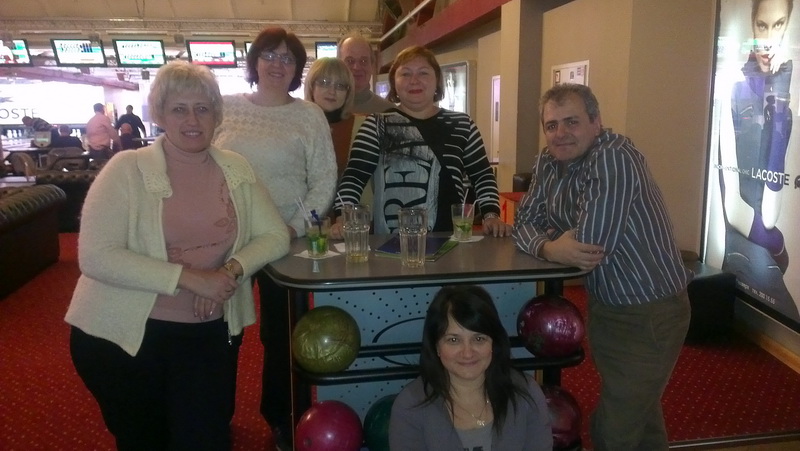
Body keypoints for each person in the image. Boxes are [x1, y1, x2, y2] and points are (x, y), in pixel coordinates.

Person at [64, 60, 290, 451]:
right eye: (179, 109)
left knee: (205, 438)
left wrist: (229, 272)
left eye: (202, 108)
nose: (192, 119)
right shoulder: (126, 169)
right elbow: (96, 255)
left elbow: (275, 236)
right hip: (126, 334)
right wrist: (192, 279)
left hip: (207, 332)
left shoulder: (235, 167)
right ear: (160, 114)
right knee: (145, 440)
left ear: (216, 115)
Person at [512, 84, 691, 451]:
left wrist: (554, 239)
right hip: (607, 305)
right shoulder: (549, 160)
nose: (560, 133)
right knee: (641, 418)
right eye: (551, 125)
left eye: (572, 122)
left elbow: (589, 246)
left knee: (614, 428)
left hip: (651, 313)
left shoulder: (613, 157)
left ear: (596, 122)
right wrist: (551, 246)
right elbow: (523, 221)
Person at [211, 26, 336, 451]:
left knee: (281, 336)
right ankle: (215, 416)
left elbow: (324, 180)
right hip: (227, 238)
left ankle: (282, 417)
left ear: (298, 68)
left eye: (288, 58)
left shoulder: (309, 115)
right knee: (222, 330)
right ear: (254, 61)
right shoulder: (225, 108)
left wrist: (295, 228)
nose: (278, 64)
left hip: (285, 240)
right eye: (270, 55)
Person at [331, 45, 510, 238]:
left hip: (450, 240)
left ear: (437, 81)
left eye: (423, 73)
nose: (414, 80)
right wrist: (342, 217)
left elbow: (482, 175)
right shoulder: (376, 125)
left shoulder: (463, 124)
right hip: (390, 242)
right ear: (394, 83)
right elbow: (354, 177)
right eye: (405, 74)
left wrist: (491, 215)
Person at [390, 285, 552, 451]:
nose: (467, 353)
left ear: (493, 343)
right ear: (436, 346)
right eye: (453, 340)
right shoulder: (411, 405)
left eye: (479, 339)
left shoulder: (526, 393)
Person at [718, 0, 798, 319]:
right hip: (737, 235)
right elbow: (733, 206)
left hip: (759, 238)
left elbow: (770, 214)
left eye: (778, 25)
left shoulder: (783, 106)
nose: (768, 39)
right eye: (762, 26)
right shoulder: (733, 90)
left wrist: (780, 108)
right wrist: (776, 243)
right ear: (752, 25)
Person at [304, 56, 358, 179]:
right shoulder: (296, 124)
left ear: (348, 92)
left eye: (340, 85)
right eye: (324, 82)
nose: (332, 91)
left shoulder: (361, 126)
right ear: (311, 86)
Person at [338, 33, 395, 114]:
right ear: (339, 65)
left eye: (364, 61)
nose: (357, 67)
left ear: (372, 65)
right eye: (350, 61)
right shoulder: (324, 110)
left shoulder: (389, 112)